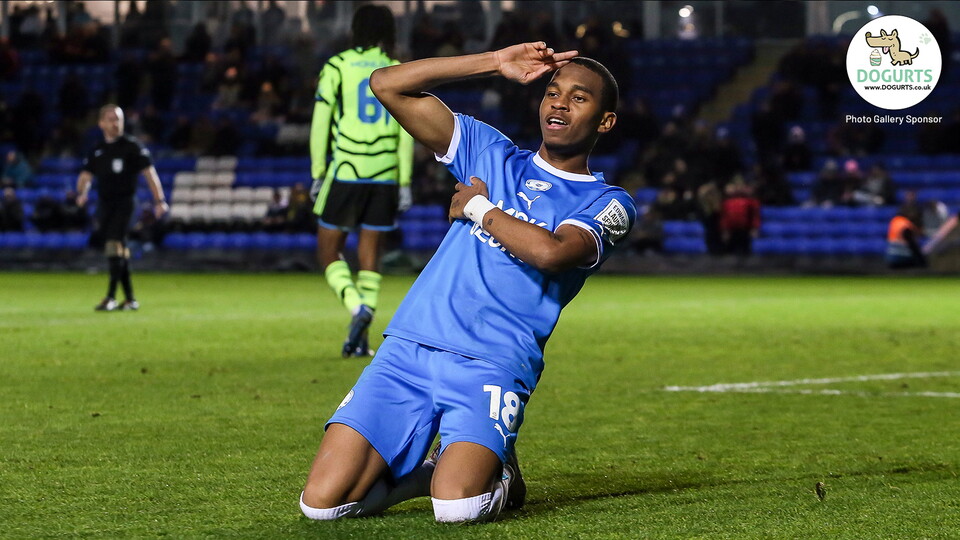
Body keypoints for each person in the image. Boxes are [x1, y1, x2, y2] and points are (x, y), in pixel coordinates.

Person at [299, 41, 637, 523]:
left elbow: (553, 252)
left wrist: (479, 208)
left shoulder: (611, 201)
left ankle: (495, 473)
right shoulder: (489, 151)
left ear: (605, 121)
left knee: (459, 507)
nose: (559, 102)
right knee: (320, 506)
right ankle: (427, 474)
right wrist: (493, 63)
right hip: (409, 350)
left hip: (492, 364)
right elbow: (385, 84)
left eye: (579, 98)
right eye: (553, 92)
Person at [309, 5, 414, 357]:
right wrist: (404, 180)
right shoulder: (397, 70)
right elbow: (407, 131)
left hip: (348, 170)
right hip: (385, 174)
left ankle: (357, 307)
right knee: (371, 256)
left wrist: (316, 171)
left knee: (328, 250)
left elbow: (321, 122)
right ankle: (362, 339)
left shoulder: (337, 66)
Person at [76, 104, 168, 311]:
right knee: (119, 250)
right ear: (101, 123)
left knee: (113, 244)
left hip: (125, 203)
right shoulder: (98, 150)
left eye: (118, 119)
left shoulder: (132, 146)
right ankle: (130, 299)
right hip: (105, 204)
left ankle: (110, 297)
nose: (114, 123)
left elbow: (149, 174)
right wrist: (82, 193)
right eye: (110, 119)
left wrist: (159, 200)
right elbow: (85, 176)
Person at [886, 204, 926, 269]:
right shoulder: (905, 225)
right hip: (902, 257)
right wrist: (922, 261)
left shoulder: (895, 221)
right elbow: (913, 245)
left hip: (890, 257)